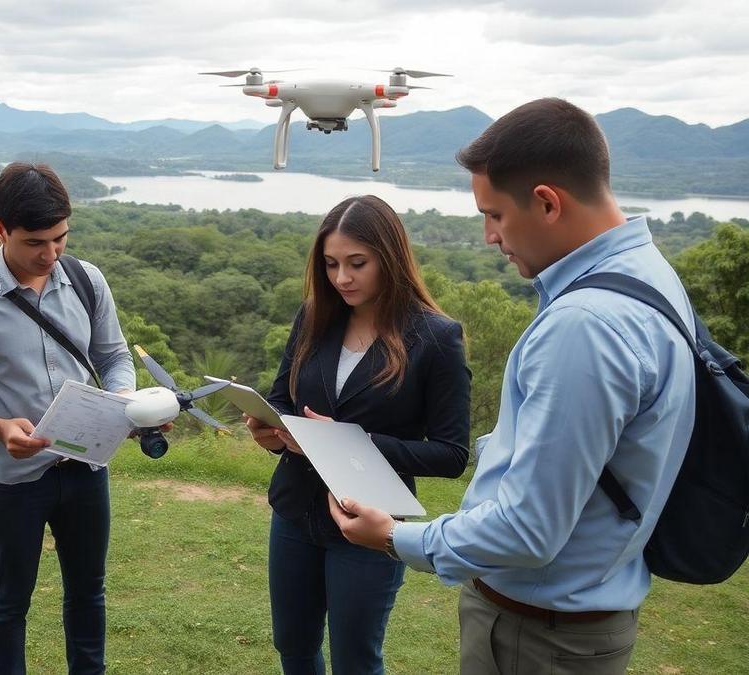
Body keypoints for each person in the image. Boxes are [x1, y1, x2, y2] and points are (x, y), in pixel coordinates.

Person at [327, 99, 697, 674]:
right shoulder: (649, 275)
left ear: (547, 202)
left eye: (494, 214)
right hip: (584, 611)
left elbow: (528, 531)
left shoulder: (585, 325)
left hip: (537, 635)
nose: (489, 236)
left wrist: (395, 538)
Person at [245, 194, 471, 674]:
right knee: (294, 646)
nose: (342, 278)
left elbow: (451, 454)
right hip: (294, 511)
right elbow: (282, 398)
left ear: (389, 258)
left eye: (357, 263)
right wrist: (271, 427)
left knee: (355, 659)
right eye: (330, 264)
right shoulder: (315, 316)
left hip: (369, 524)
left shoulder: (435, 337)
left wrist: (349, 440)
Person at [0, 162, 136, 674]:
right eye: (35, 242)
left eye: (61, 238)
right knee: (9, 600)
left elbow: (114, 358)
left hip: (86, 468)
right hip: (13, 477)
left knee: (89, 592)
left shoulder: (88, 281)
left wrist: (121, 401)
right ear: (0, 231)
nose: (50, 254)